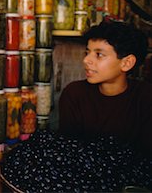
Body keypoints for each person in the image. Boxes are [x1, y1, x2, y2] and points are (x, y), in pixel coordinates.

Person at [59, 21, 151, 158]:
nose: (86, 60)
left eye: (99, 55)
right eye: (87, 52)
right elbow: (67, 151)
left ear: (127, 63)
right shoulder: (74, 94)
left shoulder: (146, 97)